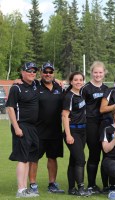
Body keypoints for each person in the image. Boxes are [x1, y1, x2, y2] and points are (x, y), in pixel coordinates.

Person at [28, 62, 64, 194]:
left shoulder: (59, 87)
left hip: (55, 130)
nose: (48, 74)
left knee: (52, 158)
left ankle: (52, 184)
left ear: (53, 73)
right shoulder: (34, 85)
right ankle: (32, 185)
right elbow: (20, 80)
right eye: (45, 72)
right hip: (37, 130)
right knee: (34, 158)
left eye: (50, 72)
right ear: (41, 73)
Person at [6, 62, 40, 198]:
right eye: (29, 71)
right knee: (22, 158)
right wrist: (16, 127)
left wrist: (59, 81)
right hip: (21, 126)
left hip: (33, 127)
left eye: (34, 71)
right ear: (23, 72)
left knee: (28, 158)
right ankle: (20, 190)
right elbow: (10, 108)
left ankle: (25, 189)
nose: (32, 73)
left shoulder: (35, 85)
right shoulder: (16, 88)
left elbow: (49, 79)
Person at [80, 61, 108, 194]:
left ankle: (106, 185)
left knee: (106, 154)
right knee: (94, 153)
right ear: (91, 73)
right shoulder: (86, 88)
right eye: (95, 72)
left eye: (100, 72)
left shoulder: (107, 89)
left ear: (104, 73)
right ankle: (91, 185)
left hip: (104, 124)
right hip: (91, 123)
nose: (98, 74)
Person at [62, 72, 90, 196]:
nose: (78, 82)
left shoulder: (81, 94)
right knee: (80, 160)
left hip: (82, 131)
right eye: (76, 80)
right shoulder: (69, 96)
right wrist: (68, 135)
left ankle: (71, 188)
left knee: (74, 160)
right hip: (73, 131)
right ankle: (81, 188)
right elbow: (64, 115)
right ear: (71, 82)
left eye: (80, 80)